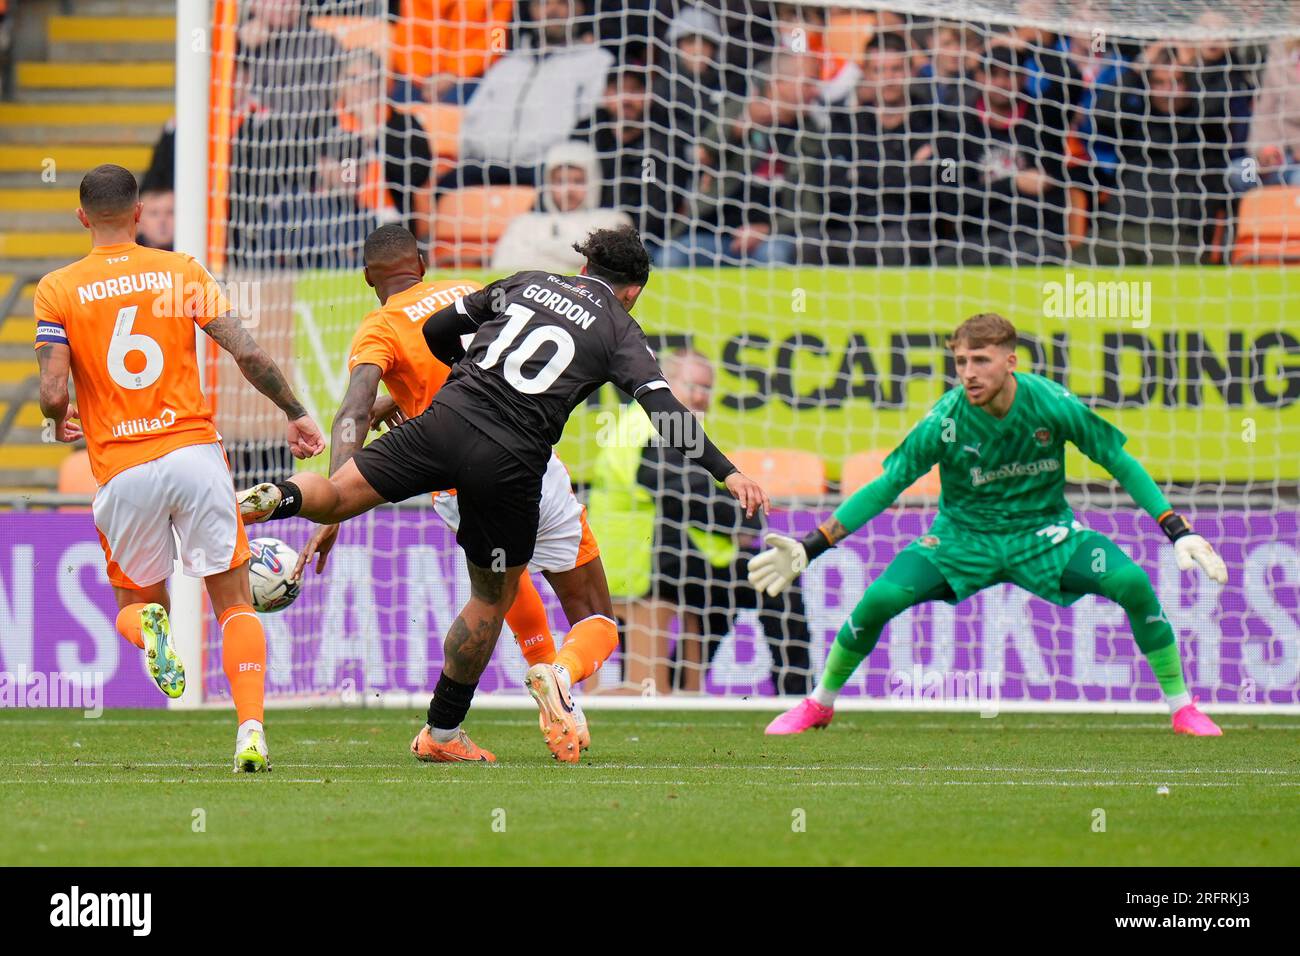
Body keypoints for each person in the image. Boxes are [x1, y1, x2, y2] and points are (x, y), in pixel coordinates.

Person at [237, 225, 769, 763]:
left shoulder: (527, 281)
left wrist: (463, 376)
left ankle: (273, 497)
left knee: (332, 492)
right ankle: (529, 688)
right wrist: (727, 472)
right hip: (513, 464)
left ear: (584, 267)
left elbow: (440, 331)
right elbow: (666, 415)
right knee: (529, 606)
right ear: (632, 291)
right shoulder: (618, 328)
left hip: (443, 423)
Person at [751, 312, 1227, 739]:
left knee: (1132, 581)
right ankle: (819, 703)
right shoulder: (945, 420)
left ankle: (1182, 708)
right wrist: (813, 545)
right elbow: (887, 486)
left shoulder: (1051, 404)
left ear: (1010, 362)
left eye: (980, 360)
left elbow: (1117, 462)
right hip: (962, 538)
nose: (968, 373)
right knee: (879, 599)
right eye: (961, 362)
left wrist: (1175, 528)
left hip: (1045, 535)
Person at [33, 164, 325, 771]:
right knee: (235, 604)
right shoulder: (180, 271)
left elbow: (54, 389)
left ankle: (153, 627)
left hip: (123, 467)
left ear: (82, 217)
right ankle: (250, 732)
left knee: (132, 605)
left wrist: (61, 415)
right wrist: (295, 411)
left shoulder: (57, 288)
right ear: (140, 213)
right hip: (194, 453)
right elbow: (245, 351)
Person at [292, 223, 605, 749]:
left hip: (447, 475)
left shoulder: (380, 326)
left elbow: (355, 409)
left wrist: (337, 499)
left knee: (498, 587)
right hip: (518, 453)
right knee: (591, 608)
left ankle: (485, 708)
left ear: (368, 277)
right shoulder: (464, 292)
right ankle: (560, 688)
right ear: (422, 261)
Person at [626, 348, 812, 694]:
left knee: (724, 596)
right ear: (666, 384)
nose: (702, 396)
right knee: (773, 577)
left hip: (658, 557)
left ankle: (685, 683)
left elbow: (687, 491)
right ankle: (796, 692)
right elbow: (683, 492)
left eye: (708, 388)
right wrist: (745, 523)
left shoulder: (639, 424)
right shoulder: (659, 424)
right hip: (650, 563)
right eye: (694, 386)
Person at [441, 0, 612, 192]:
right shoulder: (507, 65)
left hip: (546, 171)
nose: (553, 10)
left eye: (563, 3)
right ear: (530, 10)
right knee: (444, 186)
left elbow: (592, 124)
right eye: (543, 4)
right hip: (488, 166)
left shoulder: (598, 62)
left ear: (580, 9)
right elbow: (472, 120)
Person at [490, 140, 632, 273]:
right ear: (548, 183)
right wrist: (573, 263)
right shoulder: (523, 224)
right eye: (560, 181)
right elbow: (502, 267)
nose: (569, 190)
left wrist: (541, 251)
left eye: (578, 181)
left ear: (593, 180)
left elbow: (612, 269)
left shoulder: (612, 221)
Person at [136, 184, 174, 251]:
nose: (162, 220)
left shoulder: (194, 256)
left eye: (170, 212)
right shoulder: (125, 256)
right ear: (139, 221)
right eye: (154, 213)